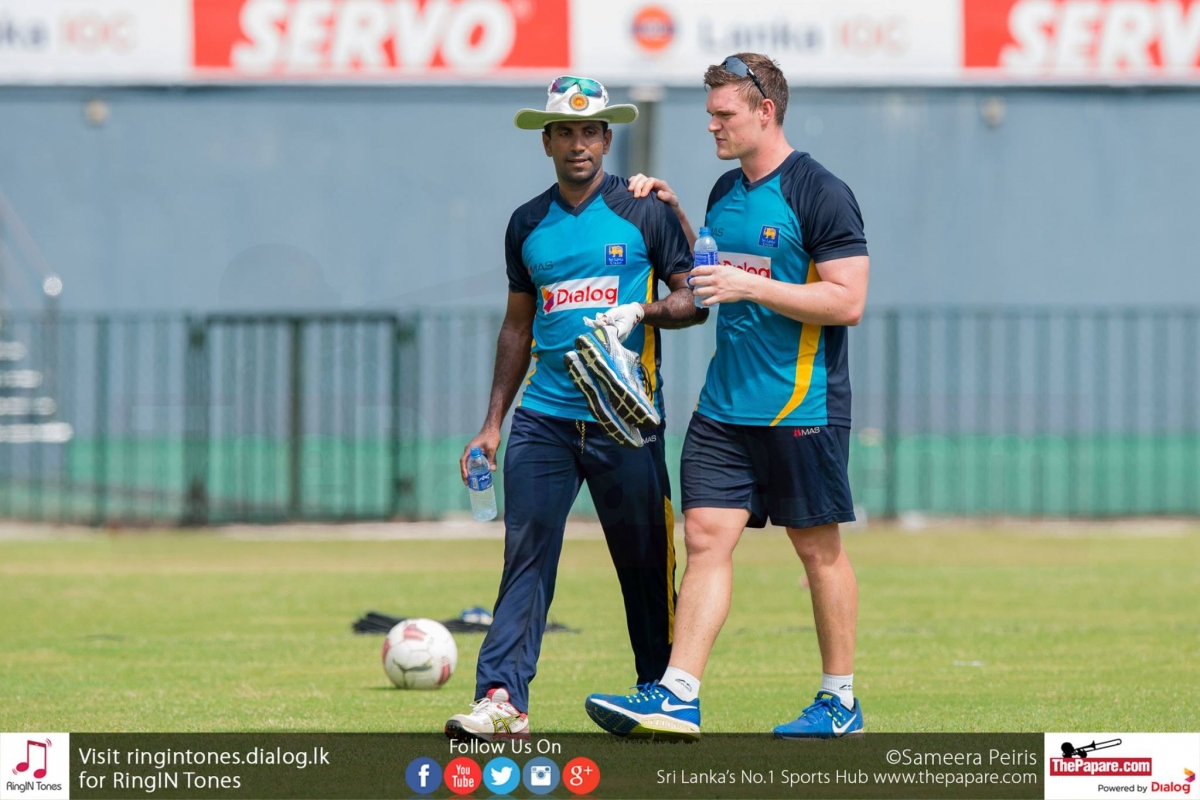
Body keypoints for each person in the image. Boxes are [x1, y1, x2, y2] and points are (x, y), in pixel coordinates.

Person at [584, 53, 870, 741]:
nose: (711, 124)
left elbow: (848, 301)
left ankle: (840, 702)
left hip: (800, 406)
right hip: (722, 407)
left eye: (724, 113)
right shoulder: (723, 191)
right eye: (709, 113)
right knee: (705, 538)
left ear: (765, 112)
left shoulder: (821, 192)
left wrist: (753, 288)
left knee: (817, 550)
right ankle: (678, 694)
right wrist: (678, 213)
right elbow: (713, 274)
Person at [444, 76, 707, 740]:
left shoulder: (643, 210)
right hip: (545, 419)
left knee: (646, 565)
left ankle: (659, 693)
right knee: (525, 559)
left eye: (590, 131)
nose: (578, 144)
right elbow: (516, 328)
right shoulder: (526, 224)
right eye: (565, 132)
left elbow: (693, 302)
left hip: (627, 420)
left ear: (607, 139)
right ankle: (502, 700)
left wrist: (641, 311)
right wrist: (492, 424)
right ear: (547, 142)